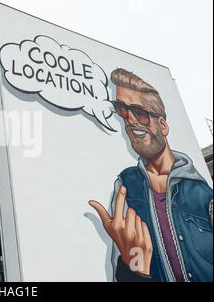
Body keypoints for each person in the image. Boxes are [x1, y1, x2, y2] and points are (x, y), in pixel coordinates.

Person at [89, 68, 213, 282]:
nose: (129, 120)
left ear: (163, 126)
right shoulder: (126, 187)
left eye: (139, 112)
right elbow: (126, 270)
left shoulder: (202, 193)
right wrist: (133, 267)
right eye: (122, 109)